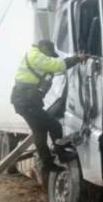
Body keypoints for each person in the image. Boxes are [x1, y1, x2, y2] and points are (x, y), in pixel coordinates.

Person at [10, 40, 86, 175]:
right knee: (55, 125)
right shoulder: (36, 55)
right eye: (50, 54)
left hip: (23, 101)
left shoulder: (34, 55)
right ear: (44, 48)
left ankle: (47, 164)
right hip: (26, 102)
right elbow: (57, 65)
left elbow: (51, 70)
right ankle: (61, 153)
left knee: (40, 132)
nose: (50, 57)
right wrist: (77, 59)